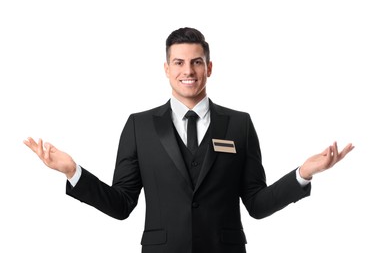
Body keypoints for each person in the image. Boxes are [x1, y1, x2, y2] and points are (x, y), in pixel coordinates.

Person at [24, 27, 354, 253]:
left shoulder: (239, 124)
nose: (189, 71)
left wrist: (303, 174)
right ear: (166, 69)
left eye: (197, 62)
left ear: (209, 67)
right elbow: (122, 203)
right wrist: (72, 172)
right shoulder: (139, 126)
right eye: (179, 62)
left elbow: (256, 203)